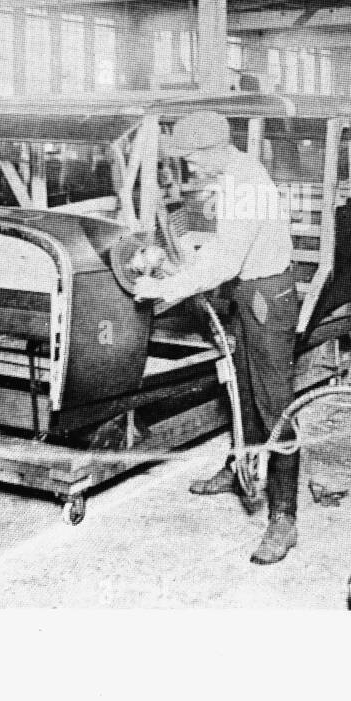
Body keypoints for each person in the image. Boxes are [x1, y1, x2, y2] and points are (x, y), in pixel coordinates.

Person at [132, 111, 301, 566]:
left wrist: (166, 287)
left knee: (276, 407)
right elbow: (224, 245)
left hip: (267, 296)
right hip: (247, 292)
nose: (191, 171)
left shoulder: (245, 185)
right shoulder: (232, 177)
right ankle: (237, 467)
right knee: (240, 390)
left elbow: (228, 259)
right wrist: (181, 264)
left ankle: (283, 518)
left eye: (191, 162)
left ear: (211, 152)